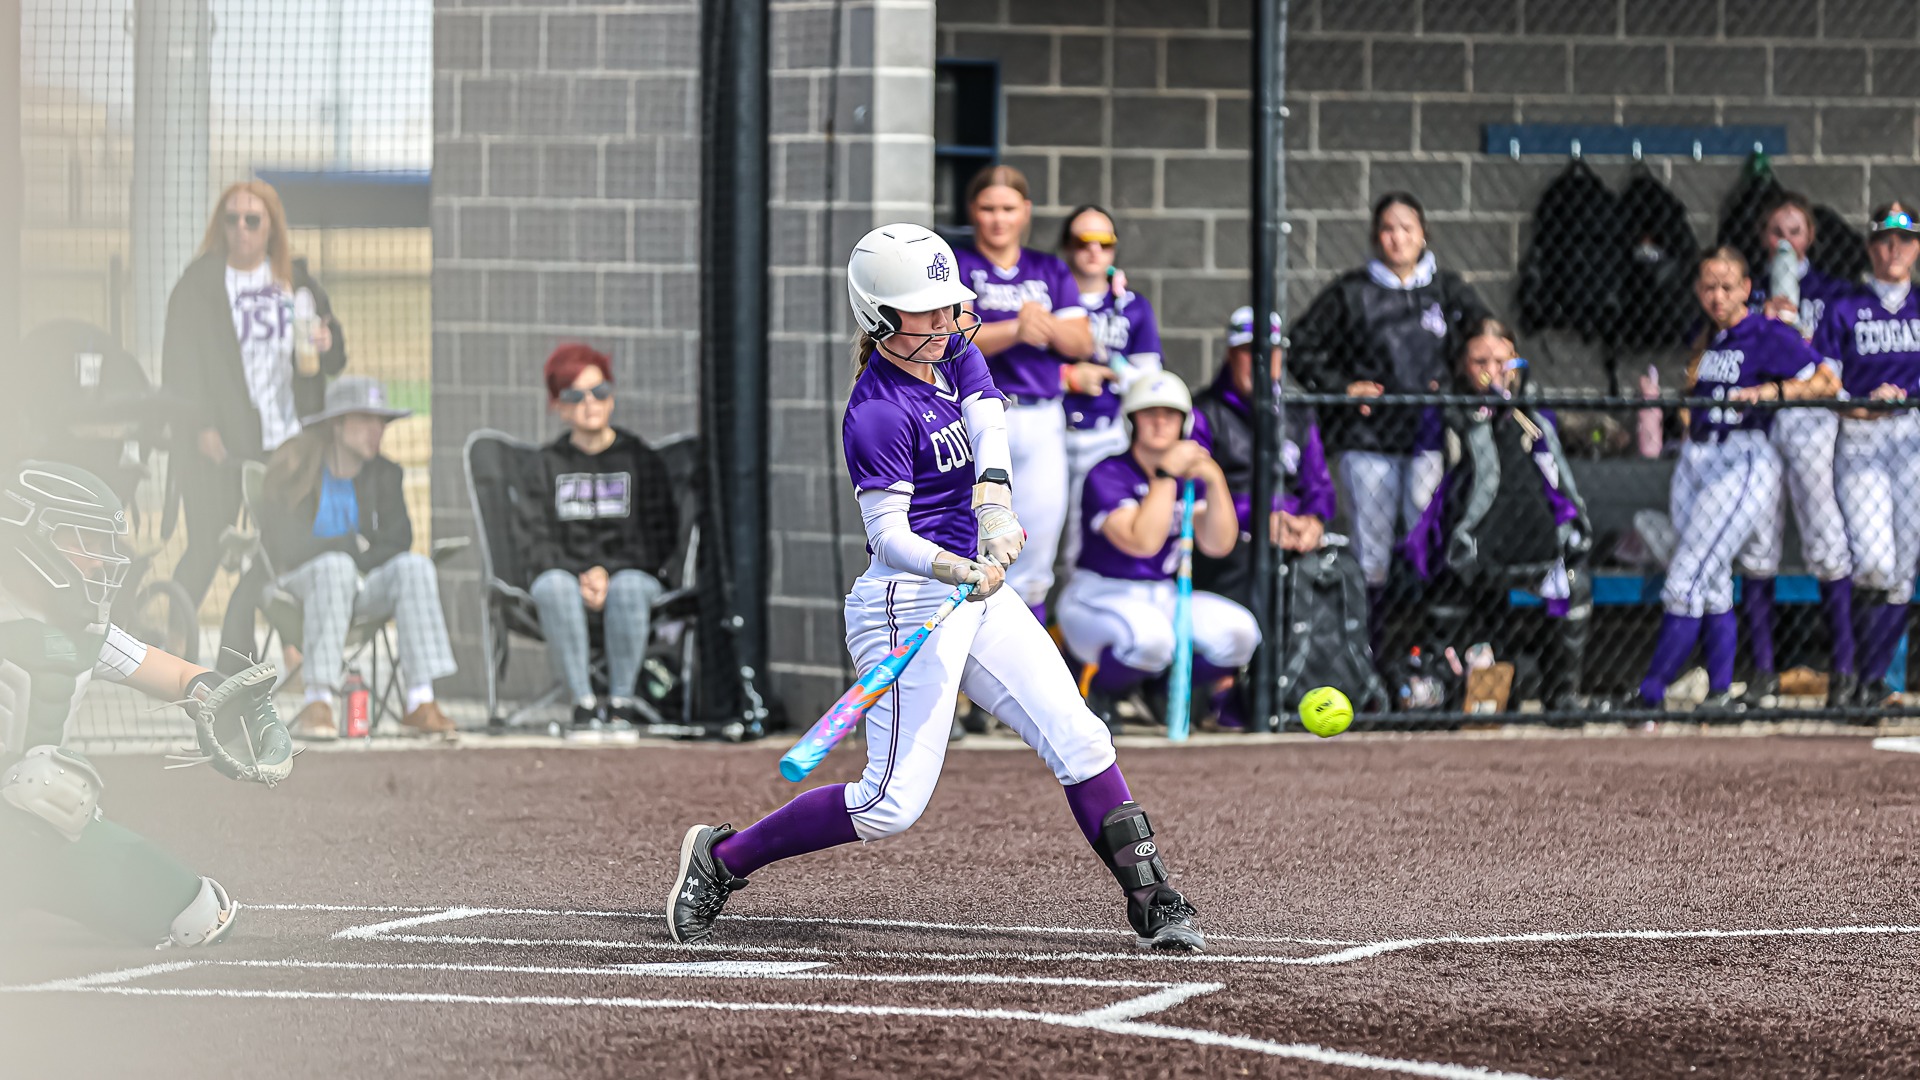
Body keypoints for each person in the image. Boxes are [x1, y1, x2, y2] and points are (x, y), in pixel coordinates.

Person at [666, 224, 1203, 953]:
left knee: (1080, 736)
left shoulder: (951, 350)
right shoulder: (877, 412)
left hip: (978, 593)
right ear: (880, 320)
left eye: (949, 305)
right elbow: (889, 536)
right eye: (928, 310)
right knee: (889, 805)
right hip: (909, 599)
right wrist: (958, 567)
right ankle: (721, 859)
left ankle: (1154, 898)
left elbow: (988, 417)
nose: (950, 321)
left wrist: (995, 502)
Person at [0, 460, 291, 947]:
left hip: (38, 829)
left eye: (103, 545)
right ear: (31, 536)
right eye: (83, 542)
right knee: (44, 786)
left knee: (199, 915)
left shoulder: (87, 629)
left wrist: (222, 698)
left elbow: (176, 674)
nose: (100, 560)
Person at [1619, 248, 1837, 713]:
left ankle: (1651, 692)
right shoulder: (1712, 339)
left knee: (1686, 576)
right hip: (1699, 458)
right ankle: (1721, 692)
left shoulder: (1766, 331)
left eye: (1726, 286)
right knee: (1713, 581)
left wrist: (1773, 391)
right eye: (1708, 287)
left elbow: (1825, 381)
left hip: (1741, 458)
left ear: (1745, 288)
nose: (1717, 295)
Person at [1289, 192, 1492, 605]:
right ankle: (1370, 649)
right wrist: (1343, 387)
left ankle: (1429, 645)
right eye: (1387, 229)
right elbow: (1299, 348)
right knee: (1372, 544)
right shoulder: (1352, 292)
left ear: (1423, 235)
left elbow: (1484, 345)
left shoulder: (1448, 290)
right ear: (1375, 236)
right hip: (1369, 439)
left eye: (1407, 228)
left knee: (1427, 529)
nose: (1397, 238)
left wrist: (1455, 386)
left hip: (1426, 435)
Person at [162, 180, 346, 610]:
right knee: (209, 544)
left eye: (252, 220)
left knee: (285, 549)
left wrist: (327, 340)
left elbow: (335, 357)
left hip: (289, 443)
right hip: (224, 441)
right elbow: (181, 366)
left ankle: (288, 647)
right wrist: (201, 426)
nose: (241, 229)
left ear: (271, 227)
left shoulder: (295, 283)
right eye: (232, 219)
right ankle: (171, 647)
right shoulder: (200, 285)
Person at [1399, 320, 1595, 710]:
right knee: (1451, 592)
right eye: (1480, 361)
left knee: (1574, 582)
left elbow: (1557, 484)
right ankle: (1450, 693)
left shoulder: (1533, 415)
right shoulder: (1448, 413)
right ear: (1461, 366)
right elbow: (1420, 494)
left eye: (1503, 360)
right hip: (1468, 550)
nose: (1493, 370)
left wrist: (1567, 534)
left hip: (1530, 546)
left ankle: (1562, 694)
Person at [258, 376, 457, 739]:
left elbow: (398, 541)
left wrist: (353, 559)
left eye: (381, 422)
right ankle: (317, 701)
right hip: (296, 587)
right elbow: (286, 546)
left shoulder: (386, 474)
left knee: (415, 566)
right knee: (337, 567)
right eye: (365, 420)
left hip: (360, 585)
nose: (376, 430)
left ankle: (420, 700)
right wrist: (350, 548)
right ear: (337, 424)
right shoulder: (298, 467)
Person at [1056, 371, 1256, 730]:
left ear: (1185, 423)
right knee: (1151, 640)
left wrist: (1214, 479)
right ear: (1133, 420)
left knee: (1241, 634)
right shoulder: (1108, 473)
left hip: (1163, 596)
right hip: (1099, 596)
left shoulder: (1186, 478)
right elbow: (1142, 542)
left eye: (1171, 414)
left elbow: (1219, 543)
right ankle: (1103, 691)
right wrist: (1164, 476)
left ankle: (1158, 691)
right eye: (1150, 413)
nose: (1161, 421)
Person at [953, 165, 1095, 621]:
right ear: (973, 211)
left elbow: (1083, 342)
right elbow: (956, 338)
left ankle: (1020, 663)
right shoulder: (960, 263)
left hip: (1040, 414)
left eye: (1008, 208)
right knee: (973, 536)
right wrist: (1018, 327)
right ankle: (963, 681)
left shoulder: (1048, 267)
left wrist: (1043, 325)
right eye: (988, 208)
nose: (998, 219)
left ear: (1026, 212)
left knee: (1035, 543)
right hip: (976, 413)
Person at [515, 344, 677, 737]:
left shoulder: (640, 460)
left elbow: (660, 536)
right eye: (575, 395)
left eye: (600, 391)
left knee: (629, 586)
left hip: (628, 579)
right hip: (566, 583)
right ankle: (583, 706)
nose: (591, 403)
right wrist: (578, 575)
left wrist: (610, 571)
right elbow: (532, 540)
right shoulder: (543, 466)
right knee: (553, 585)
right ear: (558, 405)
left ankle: (621, 705)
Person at [1741, 192, 1859, 707]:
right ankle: (1764, 672)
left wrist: (1800, 338)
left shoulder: (1832, 292)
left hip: (1811, 419)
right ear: (1763, 239)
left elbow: (1835, 368)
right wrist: (1758, 320)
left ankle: (1845, 671)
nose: (1784, 241)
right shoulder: (1748, 290)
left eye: (1794, 231)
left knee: (1825, 538)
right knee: (1759, 543)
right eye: (1775, 231)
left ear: (1809, 237)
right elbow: (1722, 355)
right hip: (1762, 422)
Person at [1817, 203, 1920, 708]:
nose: (1894, 248)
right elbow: (1825, 379)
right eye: (1883, 239)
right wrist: (1856, 410)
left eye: (1904, 239)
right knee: (1874, 561)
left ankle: (1872, 682)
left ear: (1917, 247)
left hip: (1914, 436)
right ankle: (1854, 671)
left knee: (1903, 569)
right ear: (1870, 247)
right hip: (1860, 437)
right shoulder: (1845, 306)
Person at [1191, 306, 1338, 612]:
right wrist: (1257, 520)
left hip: (1294, 537)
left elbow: (1319, 485)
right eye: (1248, 351)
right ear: (1230, 356)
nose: (1260, 361)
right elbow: (1195, 493)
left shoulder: (1296, 413)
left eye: (1269, 352)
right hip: (1234, 543)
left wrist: (1313, 520)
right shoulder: (1204, 413)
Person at [1057, 206, 1163, 574]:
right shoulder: (1047, 299)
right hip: (1050, 429)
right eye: (1082, 242)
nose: (1094, 251)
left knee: (1082, 537)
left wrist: (1109, 370)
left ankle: (1067, 622)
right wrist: (1067, 376)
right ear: (1066, 247)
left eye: (1105, 243)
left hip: (1106, 432)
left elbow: (1149, 379)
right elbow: (1020, 371)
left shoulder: (1132, 307)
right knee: (1033, 535)